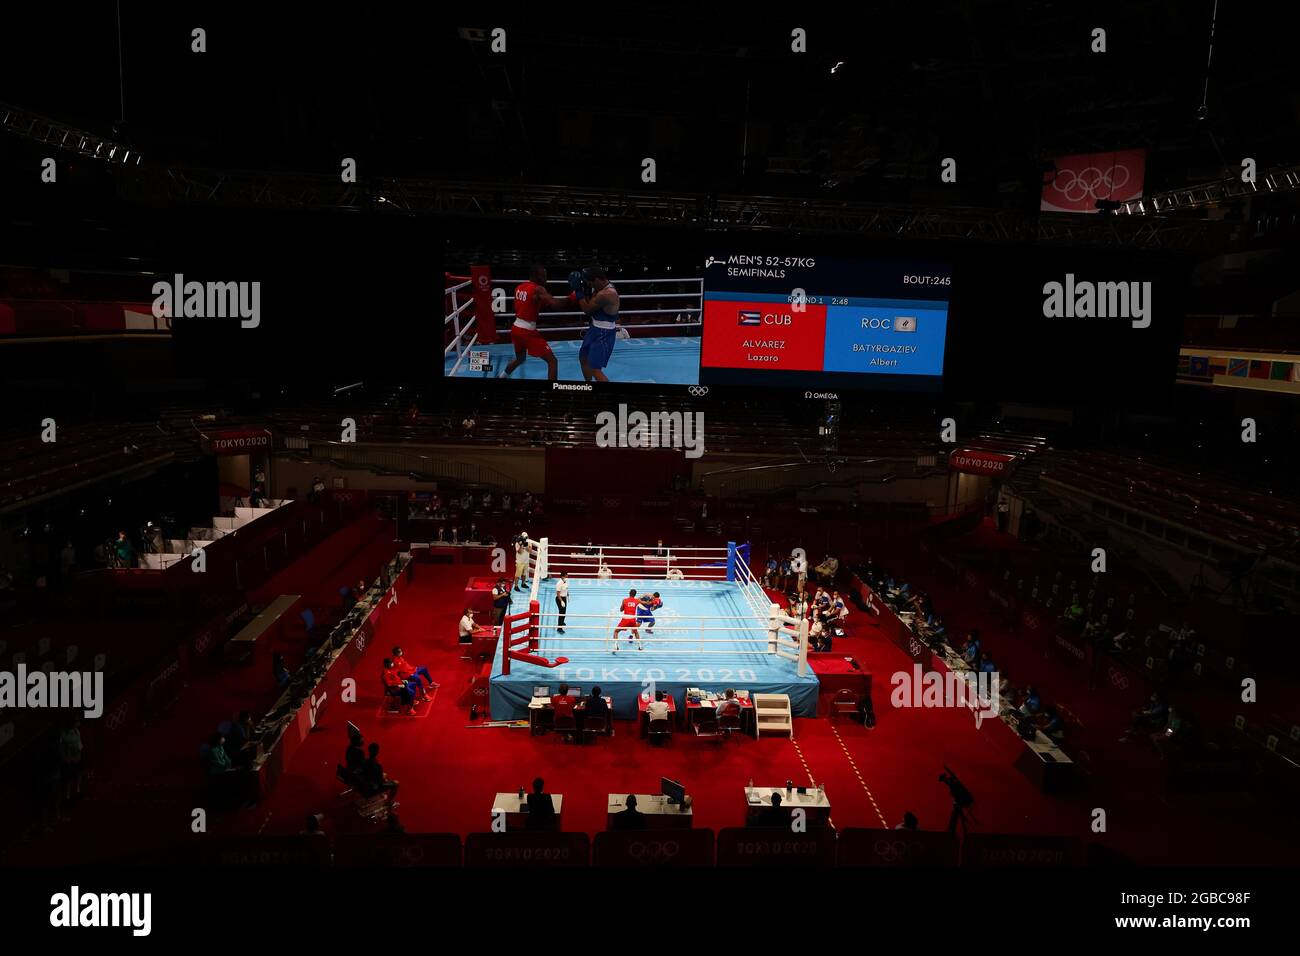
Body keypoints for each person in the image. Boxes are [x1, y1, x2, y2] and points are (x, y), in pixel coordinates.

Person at [500, 264, 562, 381]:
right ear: (537, 276)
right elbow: (554, 303)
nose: (546, 279)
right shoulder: (538, 289)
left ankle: (501, 376)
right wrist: (573, 297)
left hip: (516, 328)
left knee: (520, 358)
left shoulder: (520, 287)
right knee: (552, 361)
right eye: (544, 276)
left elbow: (516, 307)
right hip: (526, 331)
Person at [570, 265, 624, 383]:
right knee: (583, 359)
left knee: (595, 369)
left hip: (603, 333)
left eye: (590, 283)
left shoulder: (606, 293)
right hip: (594, 328)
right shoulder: (601, 287)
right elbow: (592, 303)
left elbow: (587, 310)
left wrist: (578, 290)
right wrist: (586, 288)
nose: (590, 285)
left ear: (597, 279)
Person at [59, 718, 84, 802]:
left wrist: (79, 753)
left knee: (78, 775)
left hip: (76, 758)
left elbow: (79, 745)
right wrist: (66, 758)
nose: (79, 722)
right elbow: (62, 747)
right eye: (77, 721)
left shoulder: (77, 731)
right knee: (68, 779)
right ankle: (67, 796)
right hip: (68, 760)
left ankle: (77, 790)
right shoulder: (64, 734)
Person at [612, 588, 642, 652]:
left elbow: (621, 610)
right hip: (633, 619)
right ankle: (640, 646)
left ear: (629, 593)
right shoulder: (637, 600)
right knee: (635, 632)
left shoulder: (625, 600)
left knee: (616, 631)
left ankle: (616, 645)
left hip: (625, 619)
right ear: (635, 595)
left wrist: (624, 606)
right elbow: (645, 603)